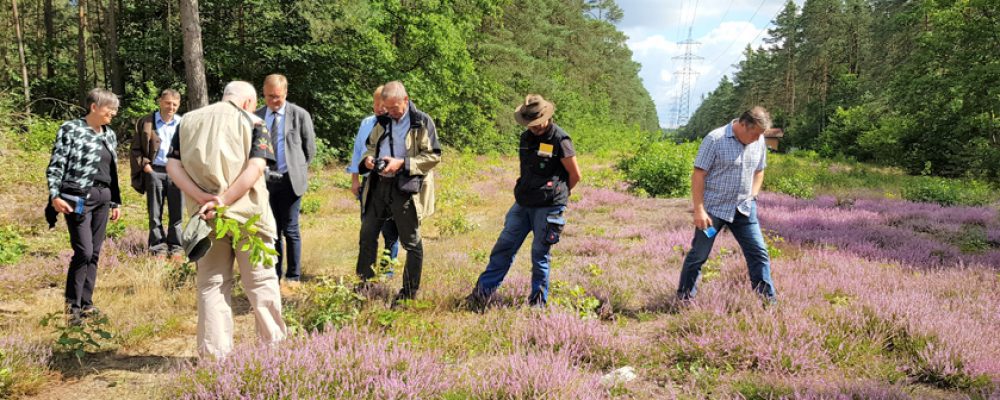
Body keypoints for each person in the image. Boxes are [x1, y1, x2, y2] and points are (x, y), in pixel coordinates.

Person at [166, 81, 286, 358]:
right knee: (261, 283)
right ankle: (274, 353)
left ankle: (214, 357)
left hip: (205, 219)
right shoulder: (254, 122)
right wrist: (224, 200)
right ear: (247, 103)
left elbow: (172, 165)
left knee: (211, 284)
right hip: (249, 216)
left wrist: (203, 198)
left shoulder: (187, 122)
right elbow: (256, 166)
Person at [467, 94, 581, 308]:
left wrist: (559, 198)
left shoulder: (561, 140)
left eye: (537, 123)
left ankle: (537, 305)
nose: (534, 128)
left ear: (547, 117)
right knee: (503, 247)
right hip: (523, 203)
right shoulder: (525, 138)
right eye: (530, 124)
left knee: (539, 256)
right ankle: (480, 296)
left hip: (548, 207)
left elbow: (575, 175)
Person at [676, 106, 776, 302]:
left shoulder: (759, 140)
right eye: (755, 134)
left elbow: (759, 170)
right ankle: (684, 300)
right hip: (713, 210)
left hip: (744, 210)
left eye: (760, 135)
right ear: (744, 125)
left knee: (759, 253)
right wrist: (699, 209)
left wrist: (753, 195)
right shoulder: (715, 139)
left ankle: (767, 302)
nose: (757, 139)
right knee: (698, 255)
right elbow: (698, 174)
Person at [356, 81, 440, 305]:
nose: (391, 112)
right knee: (367, 235)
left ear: (406, 99)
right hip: (378, 186)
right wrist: (369, 160)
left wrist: (402, 164)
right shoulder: (382, 122)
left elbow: (433, 156)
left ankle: (408, 293)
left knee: (411, 242)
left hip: (406, 188)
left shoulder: (421, 121)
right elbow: (369, 147)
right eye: (387, 108)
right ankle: (364, 285)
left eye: (395, 108)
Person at [46, 88, 123, 325]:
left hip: (103, 196)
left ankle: (87, 305)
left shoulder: (109, 134)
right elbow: (57, 164)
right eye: (110, 108)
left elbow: (112, 170)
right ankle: (72, 309)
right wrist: (54, 195)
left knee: (96, 253)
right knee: (84, 251)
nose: (114, 113)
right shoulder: (71, 129)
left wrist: (115, 202)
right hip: (78, 197)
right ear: (94, 107)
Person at [255, 74, 316, 290]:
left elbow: (310, 150)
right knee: (272, 230)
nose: (274, 101)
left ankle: (293, 275)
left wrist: (296, 168)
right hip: (264, 181)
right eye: (270, 96)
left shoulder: (299, 115)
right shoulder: (257, 116)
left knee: (290, 229)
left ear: (286, 93)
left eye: (278, 97)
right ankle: (273, 274)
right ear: (264, 93)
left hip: (291, 180)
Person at [347, 85, 399, 275]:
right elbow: (357, 152)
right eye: (375, 103)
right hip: (368, 184)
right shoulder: (366, 123)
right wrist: (355, 179)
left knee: (390, 231)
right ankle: (367, 272)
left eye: (382, 104)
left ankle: (387, 271)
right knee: (368, 231)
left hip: (389, 184)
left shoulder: (397, 124)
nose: (378, 107)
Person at [130, 88, 184, 257]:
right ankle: (157, 247)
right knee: (155, 213)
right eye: (168, 103)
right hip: (155, 171)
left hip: (177, 172)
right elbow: (135, 149)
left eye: (175, 104)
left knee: (177, 212)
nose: (171, 107)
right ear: (160, 102)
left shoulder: (183, 123)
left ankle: (176, 247)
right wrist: (146, 167)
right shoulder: (147, 122)